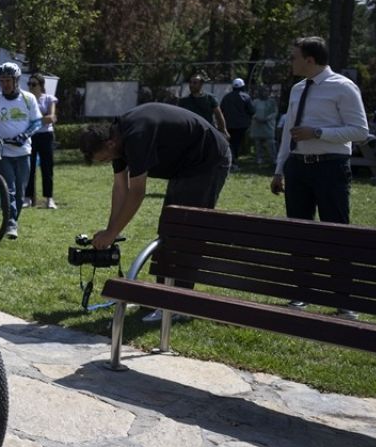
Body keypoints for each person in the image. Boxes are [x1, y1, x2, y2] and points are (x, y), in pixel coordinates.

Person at [78, 102, 231, 322]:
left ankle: (178, 305)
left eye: (105, 158)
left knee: (186, 233)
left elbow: (137, 192)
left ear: (110, 143)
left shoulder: (136, 135)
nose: (108, 162)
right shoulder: (117, 137)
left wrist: (111, 233)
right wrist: (109, 230)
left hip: (208, 160)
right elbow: (121, 188)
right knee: (169, 230)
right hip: (185, 167)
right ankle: (162, 297)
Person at [271, 36, 368, 224]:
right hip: (297, 168)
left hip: (330, 168)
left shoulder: (344, 87)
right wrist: (279, 170)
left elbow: (360, 131)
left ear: (310, 60)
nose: (291, 62)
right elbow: (288, 133)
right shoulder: (297, 89)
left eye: (294, 58)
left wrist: (317, 133)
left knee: (334, 230)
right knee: (298, 231)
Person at [0, 63, 42, 239]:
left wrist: (25, 135)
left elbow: (37, 122)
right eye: (2, 80)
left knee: (20, 193)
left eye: (8, 80)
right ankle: (11, 225)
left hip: (23, 152)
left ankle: (11, 220)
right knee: (9, 190)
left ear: (16, 81)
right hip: (2, 151)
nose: (4, 84)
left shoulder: (28, 99)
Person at [24, 74, 59, 209]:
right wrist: (42, 119)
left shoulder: (49, 98)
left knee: (47, 167)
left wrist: (35, 119)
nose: (31, 87)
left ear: (41, 85)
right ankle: (28, 198)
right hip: (31, 136)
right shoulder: (26, 100)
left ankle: (49, 199)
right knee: (29, 168)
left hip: (46, 136)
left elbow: (51, 118)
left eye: (34, 84)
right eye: (29, 84)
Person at [220, 78, 254, 169]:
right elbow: (252, 111)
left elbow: (221, 110)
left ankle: (231, 161)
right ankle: (234, 162)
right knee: (237, 144)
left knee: (230, 143)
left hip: (228, 125)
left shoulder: (226, 97)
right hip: (241, 126)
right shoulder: (246, 97)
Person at [249, 85, 278, 168]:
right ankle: (259, 159)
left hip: (268, 126)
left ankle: (274, 159)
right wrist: (256, 117)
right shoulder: (255, 102)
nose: (264, 93)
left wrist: (267, 118)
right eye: (263, 91)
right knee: (258, 144)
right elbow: (251, 111)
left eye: (266, 91)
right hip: (257, 125)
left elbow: (275, 112)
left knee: (271, 143)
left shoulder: (272, 101)